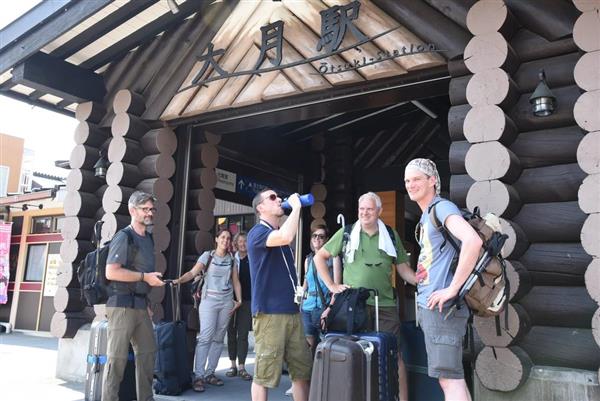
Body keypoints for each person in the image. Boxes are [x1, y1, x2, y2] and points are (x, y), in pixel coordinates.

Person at [314, 191, 417, 401]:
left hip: (385, 304)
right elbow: (320, 257)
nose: (365, 213)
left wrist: (419, 280)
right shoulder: (347, 232)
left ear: (379, 211)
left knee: (393, 355)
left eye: (370, 209)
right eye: (362, 209)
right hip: (354, 305)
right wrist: (332, 285)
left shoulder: (390, 234)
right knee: (356, 352)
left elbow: (403, 269)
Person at [404, 158, 481, 401]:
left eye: (416, 179)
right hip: (435, 307)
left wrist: (452, 289)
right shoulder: (427, 215)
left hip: (444, 308)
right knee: (451, 377)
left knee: (449, 380)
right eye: (407, 180)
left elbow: (473, 241)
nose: (410, 184)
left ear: (432, 181)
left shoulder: (441, 208)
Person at [247, 190, 312, 401]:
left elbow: (285, 235)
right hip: (269, 313)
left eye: (279, 197)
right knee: (264, 374)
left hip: (293, 311)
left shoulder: (279, 235)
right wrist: (297, 207)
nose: (279, 200)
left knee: (302, 373)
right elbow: (286, 236)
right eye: (272, 198)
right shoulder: (257, 233)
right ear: (260, 208)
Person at [103, 191, 165, 401]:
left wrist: (146, 301)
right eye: (144, 209)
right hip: (120, 306)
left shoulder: (148, 238)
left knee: (148, 355)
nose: (149, 213)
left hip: (140, 306)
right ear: (132, 210)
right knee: (117, 361)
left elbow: (143, 274)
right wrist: (145, 277)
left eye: (151, 209)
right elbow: (111, 272)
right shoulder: (124, 236)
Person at [173, 229, 242, 392]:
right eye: (222, 237)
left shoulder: (232, 259)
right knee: (205, 337)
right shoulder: (207, 256)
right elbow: (192, 272)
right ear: (217, 240)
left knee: (218, 338)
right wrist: (179, 280)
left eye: (228, 238)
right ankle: (199, 376)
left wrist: (238, 300)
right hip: (209, 301)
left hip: (226, 302)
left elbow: (236, 281)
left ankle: (210, 373)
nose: (225, 240)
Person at [301, 224, 341, 354]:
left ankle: (321, 374)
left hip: (325, 307)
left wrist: (330, 308)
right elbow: (305, 283)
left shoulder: (333, 258)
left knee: (325, 346)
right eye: (314, 235)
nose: (317, 239)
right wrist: (299, 301)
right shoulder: (308, 260)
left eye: (321, 236)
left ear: (327, 240)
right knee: (308, 346)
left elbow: (337, 286)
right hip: (307, 307)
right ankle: (309, 374)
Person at [225, 231, 253, 381]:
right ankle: (232, 365)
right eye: (240, 241)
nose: (243, 244)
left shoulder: (253, 259)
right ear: (235, 243)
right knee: (231, 332)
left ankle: (242, 367)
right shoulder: (231, 259)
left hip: (247, 301)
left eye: (245, 241)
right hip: (230, 300)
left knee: (242, 334)